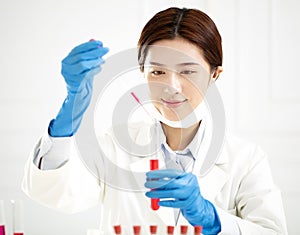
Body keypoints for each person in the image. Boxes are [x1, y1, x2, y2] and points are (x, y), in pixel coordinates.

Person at [22, 7, 288, 234]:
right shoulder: (114, 145)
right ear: (142, 72)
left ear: (214, 75)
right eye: (158, 71)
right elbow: (55, 194)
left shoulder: (246, 159)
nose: (171, 87)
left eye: (188, 72)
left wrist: (213, 219)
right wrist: (67, 117)